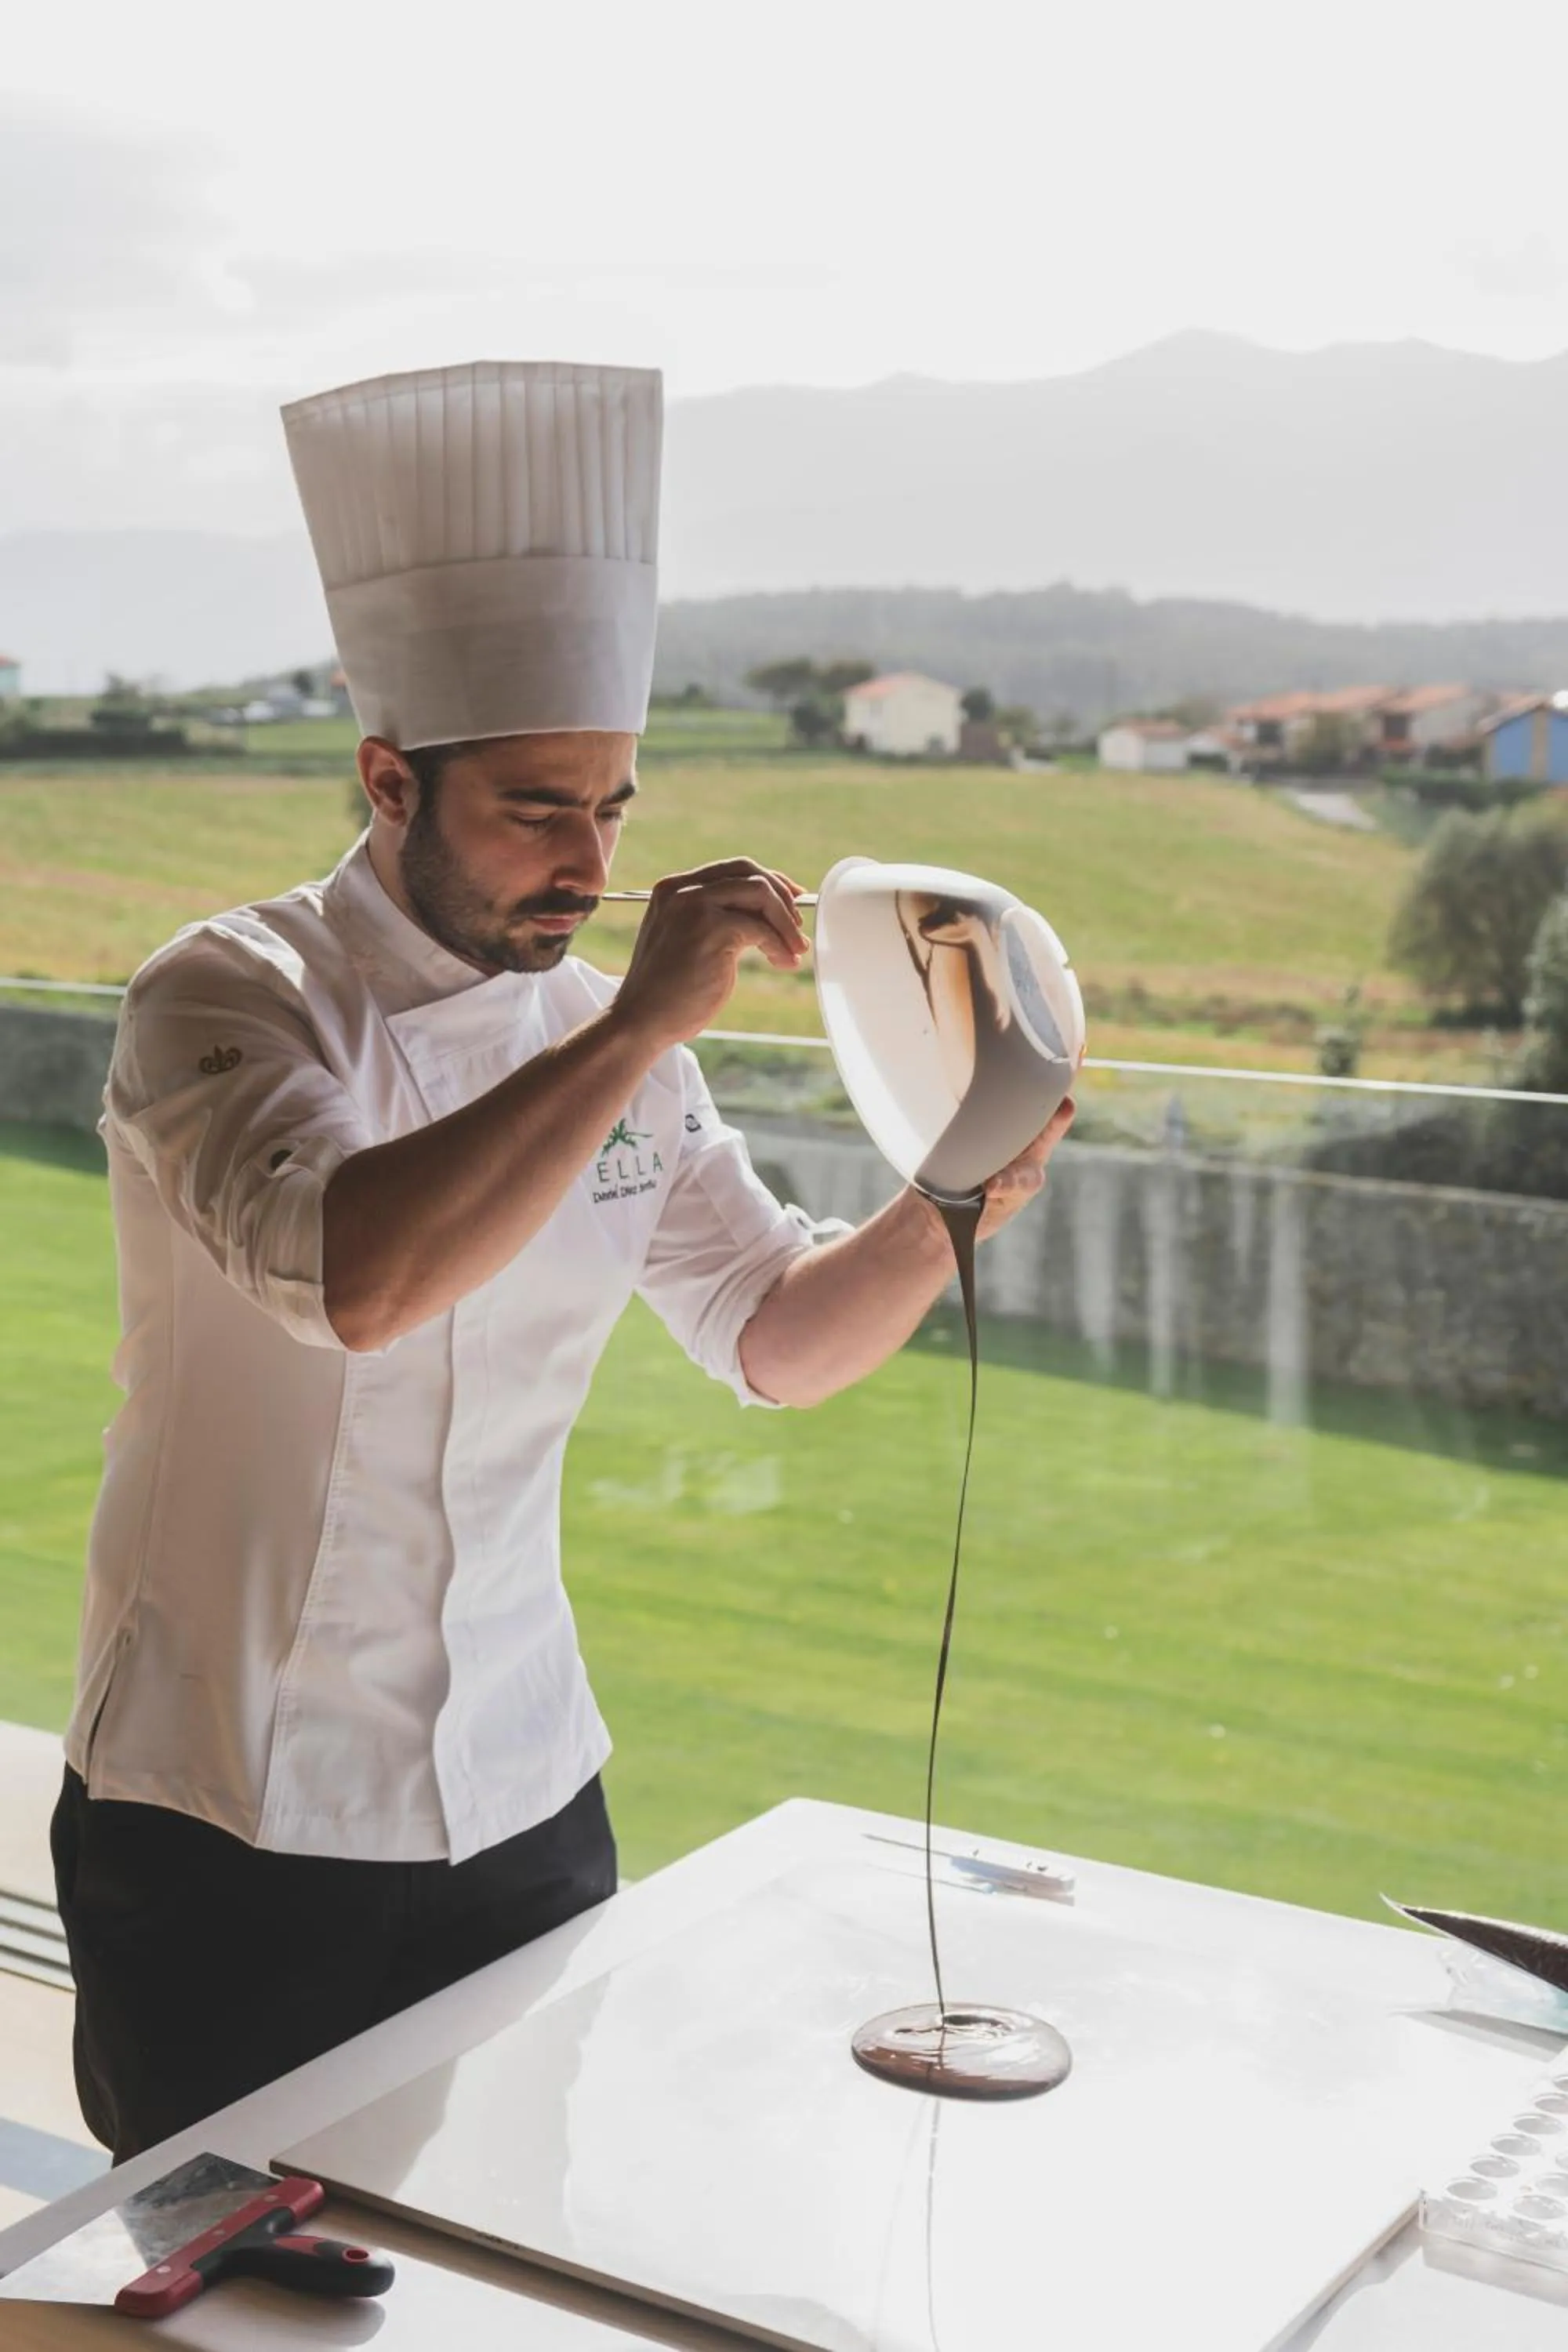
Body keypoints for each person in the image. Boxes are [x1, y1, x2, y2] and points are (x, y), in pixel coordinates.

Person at [51, 361, 1076, 2162]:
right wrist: (618, 1037)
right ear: (388, 778)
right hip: (226, 1819)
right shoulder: (222, 996)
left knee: (511, 2265)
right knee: (215, 2297)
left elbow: (771, 1337)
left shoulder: (625, 1042)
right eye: (540, 809)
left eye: (613, 807)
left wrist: (953, 1199)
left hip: (528, 1800)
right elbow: (350, 1281)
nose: (591, 863)